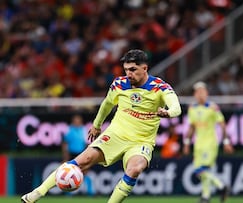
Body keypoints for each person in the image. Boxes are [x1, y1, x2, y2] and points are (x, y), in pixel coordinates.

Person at [21, 49, 182, 203]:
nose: (128, 74)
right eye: (126, 69)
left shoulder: (160, 87)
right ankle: (36, 194)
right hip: (115, 135)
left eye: (133, 69)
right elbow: (107, 104)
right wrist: (96, 125)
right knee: (82, 161)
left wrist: (168, 113)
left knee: (135, 169)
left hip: (141, 142)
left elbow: (176, 108)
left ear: (145, 68)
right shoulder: (119, 84)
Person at [183, 81, 234, 203]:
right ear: (195, 94)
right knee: (203, 170)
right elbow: (192, 127)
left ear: (206, 93)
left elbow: (222, 125)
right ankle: (205, 196)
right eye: (197, 92)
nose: (200, 94)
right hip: (198, 145)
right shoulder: (192, 108)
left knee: (199, 170)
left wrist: (226, 142)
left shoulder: (213, 107)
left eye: (202, 91)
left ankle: (221, 186)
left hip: (210, 144)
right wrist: (186, 143)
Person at [62, 114, 94, 195]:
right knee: (69, 174)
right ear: (73, 121)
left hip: (81, 153)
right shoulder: (69, 130)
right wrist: (65, 157)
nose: (77, 122)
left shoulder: (84, 130)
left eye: (78, 120)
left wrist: (88, 155)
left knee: (85, 172)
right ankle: (68, 193)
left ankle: (90, 192)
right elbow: (65, 143)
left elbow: (87, 143)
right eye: (76, 120)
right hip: (71, 154)